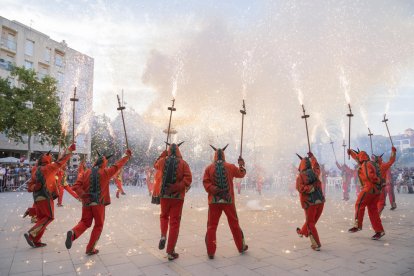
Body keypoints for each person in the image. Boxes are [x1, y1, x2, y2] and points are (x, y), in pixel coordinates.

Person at [65, 149, 131, 255]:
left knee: (85, 222)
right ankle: (90, 248)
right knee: (98, 225)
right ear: (104, 163)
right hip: (99, 204)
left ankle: (73, 233)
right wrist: (126, 156)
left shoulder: (86, 172)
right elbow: (117, 166)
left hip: (86, 203)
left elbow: (76, 186)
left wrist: (83, 195)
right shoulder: (106, 172)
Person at [24, 144, 75, 248]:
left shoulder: (36, 169)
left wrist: (35, 187)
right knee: (49, 217)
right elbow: (61, 161)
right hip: (45, 197)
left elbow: (29, 187)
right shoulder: (48, 168)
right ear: (47, 160)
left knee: (42, 219)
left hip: (37, 198)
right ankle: (32, 234)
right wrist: (70, 150)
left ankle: (36, 241)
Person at [203, 145, 248, 259]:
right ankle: (241, 247)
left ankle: (211, 252)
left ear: (214, 156)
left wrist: (215, 190)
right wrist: (241, 165)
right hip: (228, 201)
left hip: (214, 201)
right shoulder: (231, 167)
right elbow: (241, 174)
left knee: (212, 226)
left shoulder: (209, 168)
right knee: (234, 224)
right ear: (224, 155)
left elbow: (206, 183)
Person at [153, 142, 192, 260]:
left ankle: (163, 235)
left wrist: (162, 155)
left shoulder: (162, 161)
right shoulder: (183, 163)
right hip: (177, 198)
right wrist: (177, 186)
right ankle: (170, 251)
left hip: (164, 196)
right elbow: (188, 180)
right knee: (174, 222)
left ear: (169, 151)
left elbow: (155, 165)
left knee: (164, 216)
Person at [348, 149, 385, 240]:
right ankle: (379, 231)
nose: (357, 160)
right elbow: (357, 157)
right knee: (373, 210)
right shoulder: (372, 163)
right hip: (377, 190)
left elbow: (370, 176)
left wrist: (376, 181)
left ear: (361, 158)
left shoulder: (365, 164)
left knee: (359, 204)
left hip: (369, 188)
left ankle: (357, 225)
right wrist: (351, 153)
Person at [295, 152, 325, 251]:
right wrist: (312, 157)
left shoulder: (300, 177)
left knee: (310, 223)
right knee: (311, 221)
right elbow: (316, 165)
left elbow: (300, 188)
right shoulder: (315, 172)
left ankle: (316, 244)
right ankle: (303, 232)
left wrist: (310, 188)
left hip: (309, 203)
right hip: (320, 201)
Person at [374, 147, 397, 214]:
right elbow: (391, 161)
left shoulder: (371, 166)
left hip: (373, 187)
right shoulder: (383, 166)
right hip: (382, 186)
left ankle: (376, 215)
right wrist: (393, 152)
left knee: (376, 201)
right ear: (380, 160)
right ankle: (377, 215)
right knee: (381, 202)